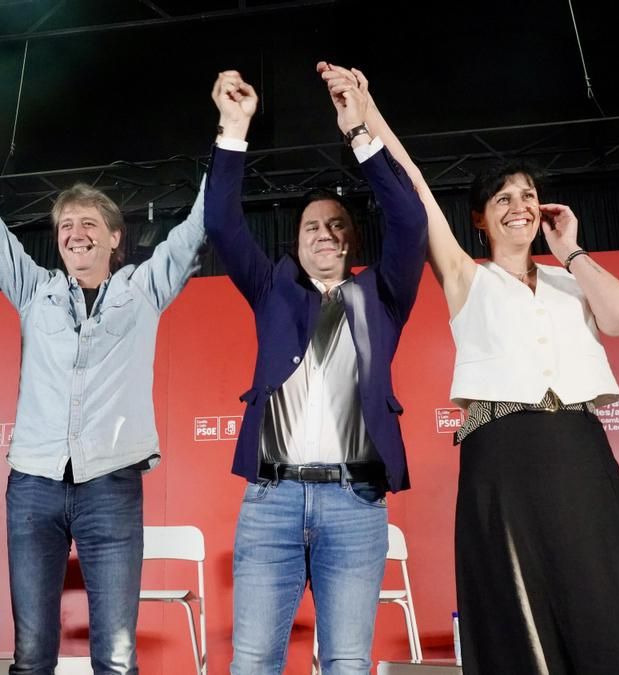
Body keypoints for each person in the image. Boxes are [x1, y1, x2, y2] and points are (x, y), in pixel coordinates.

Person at [320, 63, 619, 674]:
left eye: (529, 196)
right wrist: (367, 109)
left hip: (580, 449)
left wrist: (571, 250)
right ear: (480, 219)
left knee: (605, 597)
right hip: (502, 454)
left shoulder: (573, 282)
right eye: (503, 198)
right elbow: (416, 188)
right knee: (521, 607)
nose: (520, 206)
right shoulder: (466, 276)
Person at [0, 75, 208, 675]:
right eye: (65, 226)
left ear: (114, 237)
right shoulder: (34, 291)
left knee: (117, 657)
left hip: (111, 484)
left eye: (88, 224)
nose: (75, 234)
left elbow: (196, 230)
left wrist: (230, 133)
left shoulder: (143, 291)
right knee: (32, 655)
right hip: (33, 484)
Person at [205, 68, 427, 674]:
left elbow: (411, 222)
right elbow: (222, 223)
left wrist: (358, 132)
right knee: (253, 662)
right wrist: (234, 129)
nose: (324, 234)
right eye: (311, 226)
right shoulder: (272, 287)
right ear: (297, 243)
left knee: (347, 663)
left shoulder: (383, 295)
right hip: (271, 502)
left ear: (353, 240)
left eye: (336, 225)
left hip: (356, 503)